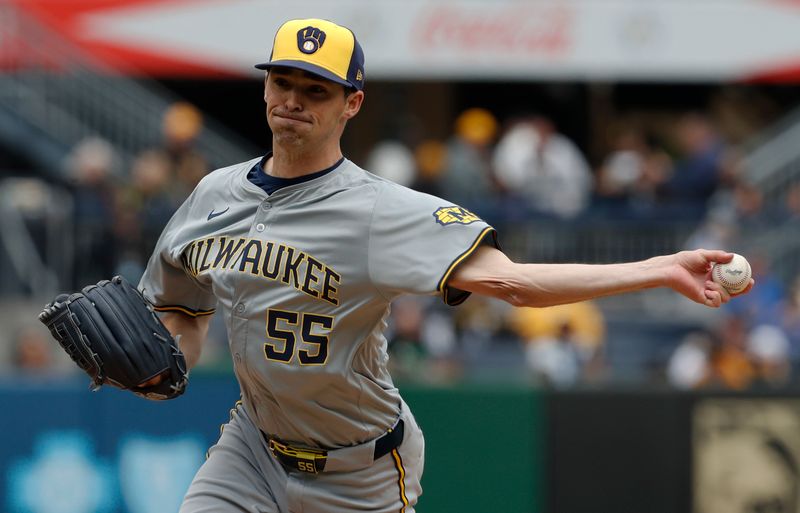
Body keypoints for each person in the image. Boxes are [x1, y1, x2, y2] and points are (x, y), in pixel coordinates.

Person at [138, 18, 754, 513]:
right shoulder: (214, 195)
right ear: (265, 87)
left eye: (315, 90)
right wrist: (166, 362)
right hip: (253, 448)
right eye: (282, 83)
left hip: (360, 470)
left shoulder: (381, 210)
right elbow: (182, 311)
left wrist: (659, 267)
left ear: (352, 104)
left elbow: (513, 282)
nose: (293, 101)